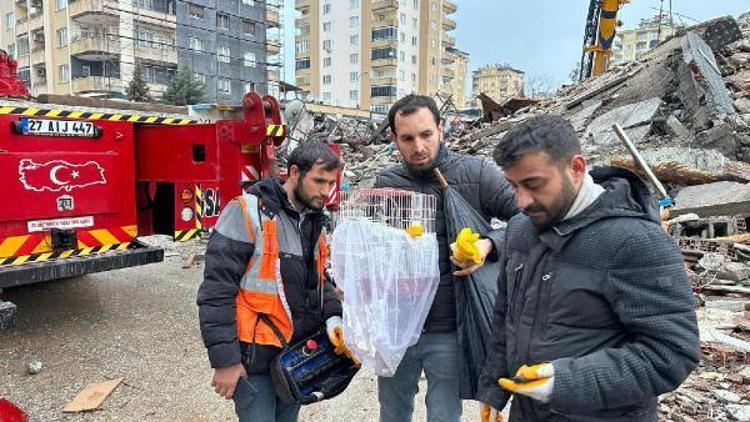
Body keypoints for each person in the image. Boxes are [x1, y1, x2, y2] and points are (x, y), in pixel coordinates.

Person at [477, 115, 699, 421]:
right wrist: (493, 388)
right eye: (514, 186)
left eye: (534, 184)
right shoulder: (520, 230)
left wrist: (563, 382)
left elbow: (671, 353)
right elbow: (506, 318)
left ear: (577, 168)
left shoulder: (635, 241)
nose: (523, 201)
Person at [374, 94, 519, 422]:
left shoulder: (476, 173)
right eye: (407, 138)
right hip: (398, 326)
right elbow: (375, 248)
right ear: (394, 139)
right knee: (392, 412)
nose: (418, 147)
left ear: (441, 128)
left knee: (444, 415)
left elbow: (527, 217)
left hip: (450, 326)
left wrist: (489, 245)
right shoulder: (387, 184)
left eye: (426, 134)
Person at [197, 141, 348, 422]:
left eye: (330, 183)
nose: (326, 192)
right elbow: (216, 291)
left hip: (294, 358)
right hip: (254, 360)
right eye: (319, 181)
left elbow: (318, 280)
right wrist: (225, 361)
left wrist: (333, 316)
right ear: (294, 173)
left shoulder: (312, 221)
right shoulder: (246, 212)